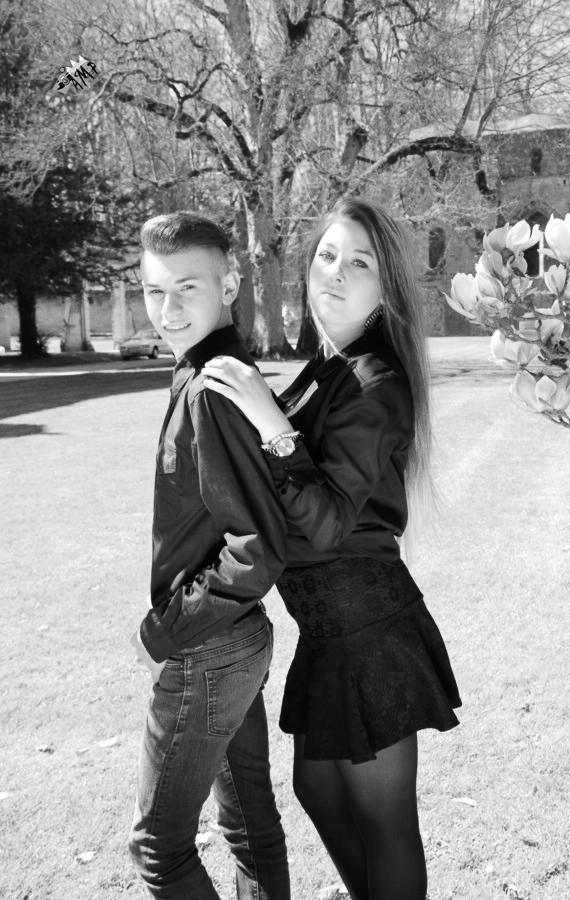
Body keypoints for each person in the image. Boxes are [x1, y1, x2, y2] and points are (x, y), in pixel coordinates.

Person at [200, 197, 462, 900]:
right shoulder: (327, 367)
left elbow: (325, 523)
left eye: (360, 262)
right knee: (318, 788)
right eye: (326, 255)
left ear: (386, 287)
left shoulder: (376, 383)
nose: (336, 272)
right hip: (329, 628)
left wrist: (271, 425)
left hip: (369, 627)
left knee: (385, 820)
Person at [128, 211, 290, 900]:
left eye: (186, 288)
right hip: (233, 642)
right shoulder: (207, 373)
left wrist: (162, 631)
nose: (167, 309)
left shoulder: (212, 390)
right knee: (250, 825)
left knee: (158, 850)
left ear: (228, 287)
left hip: (209, 649)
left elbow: (256, 550)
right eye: (154, 290)